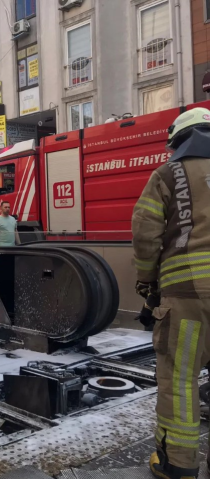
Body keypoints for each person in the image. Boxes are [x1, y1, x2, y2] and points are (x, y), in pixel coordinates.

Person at [132, 107, 210, 479]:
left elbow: (145, 233)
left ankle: (178, 465)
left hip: (188, 298)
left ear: (178, 141)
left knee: (180, 380)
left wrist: (148, 286)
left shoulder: (168, 173)